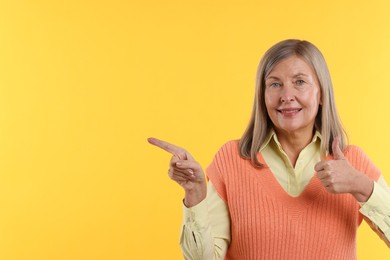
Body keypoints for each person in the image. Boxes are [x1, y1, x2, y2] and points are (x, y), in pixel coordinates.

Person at [148, 39, 390, 259]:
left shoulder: (352, 162)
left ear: (322, 94)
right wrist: (195, 194)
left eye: (300, 82)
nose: (286, 95)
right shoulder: (231, 159)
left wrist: (361, 186)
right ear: (262, 96)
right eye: (275, 84)